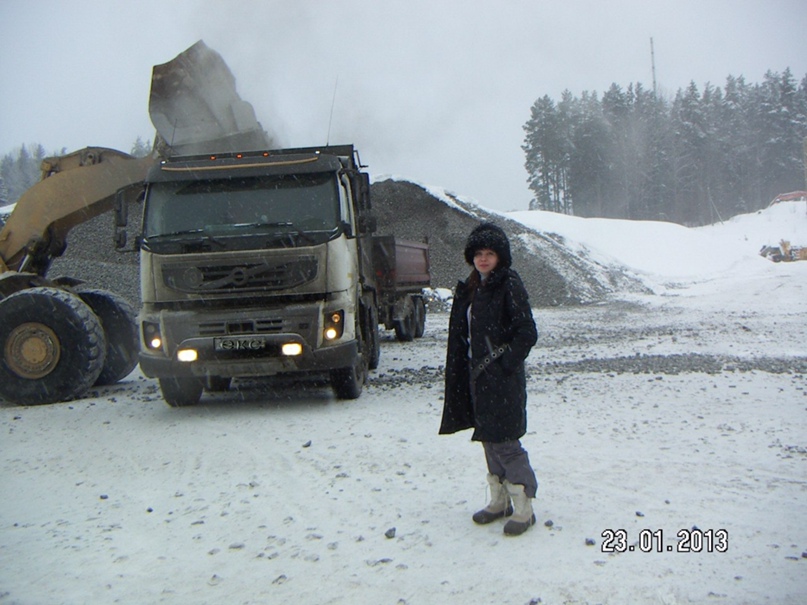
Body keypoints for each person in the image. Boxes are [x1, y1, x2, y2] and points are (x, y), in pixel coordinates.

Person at [440, 222, 539, 536]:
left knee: (506, 442)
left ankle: (524, 506)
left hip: (502, 379)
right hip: (476, 377)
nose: (483, 259)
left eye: (490, 253)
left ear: (500, 257)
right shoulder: (472, 286)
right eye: (478, 253)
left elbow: (527, 332)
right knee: (487, 439)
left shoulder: (509, 283)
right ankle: (500, 501)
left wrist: (504, 365)